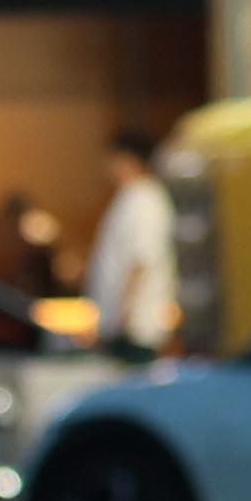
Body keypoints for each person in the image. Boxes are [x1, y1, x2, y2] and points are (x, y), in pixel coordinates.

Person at [85, 126, 183, 357]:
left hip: (134, 328)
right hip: (120, 324)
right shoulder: (129, 197)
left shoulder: (145, 200)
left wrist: (123, 315)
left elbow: (141, 259)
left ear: (126, 159)